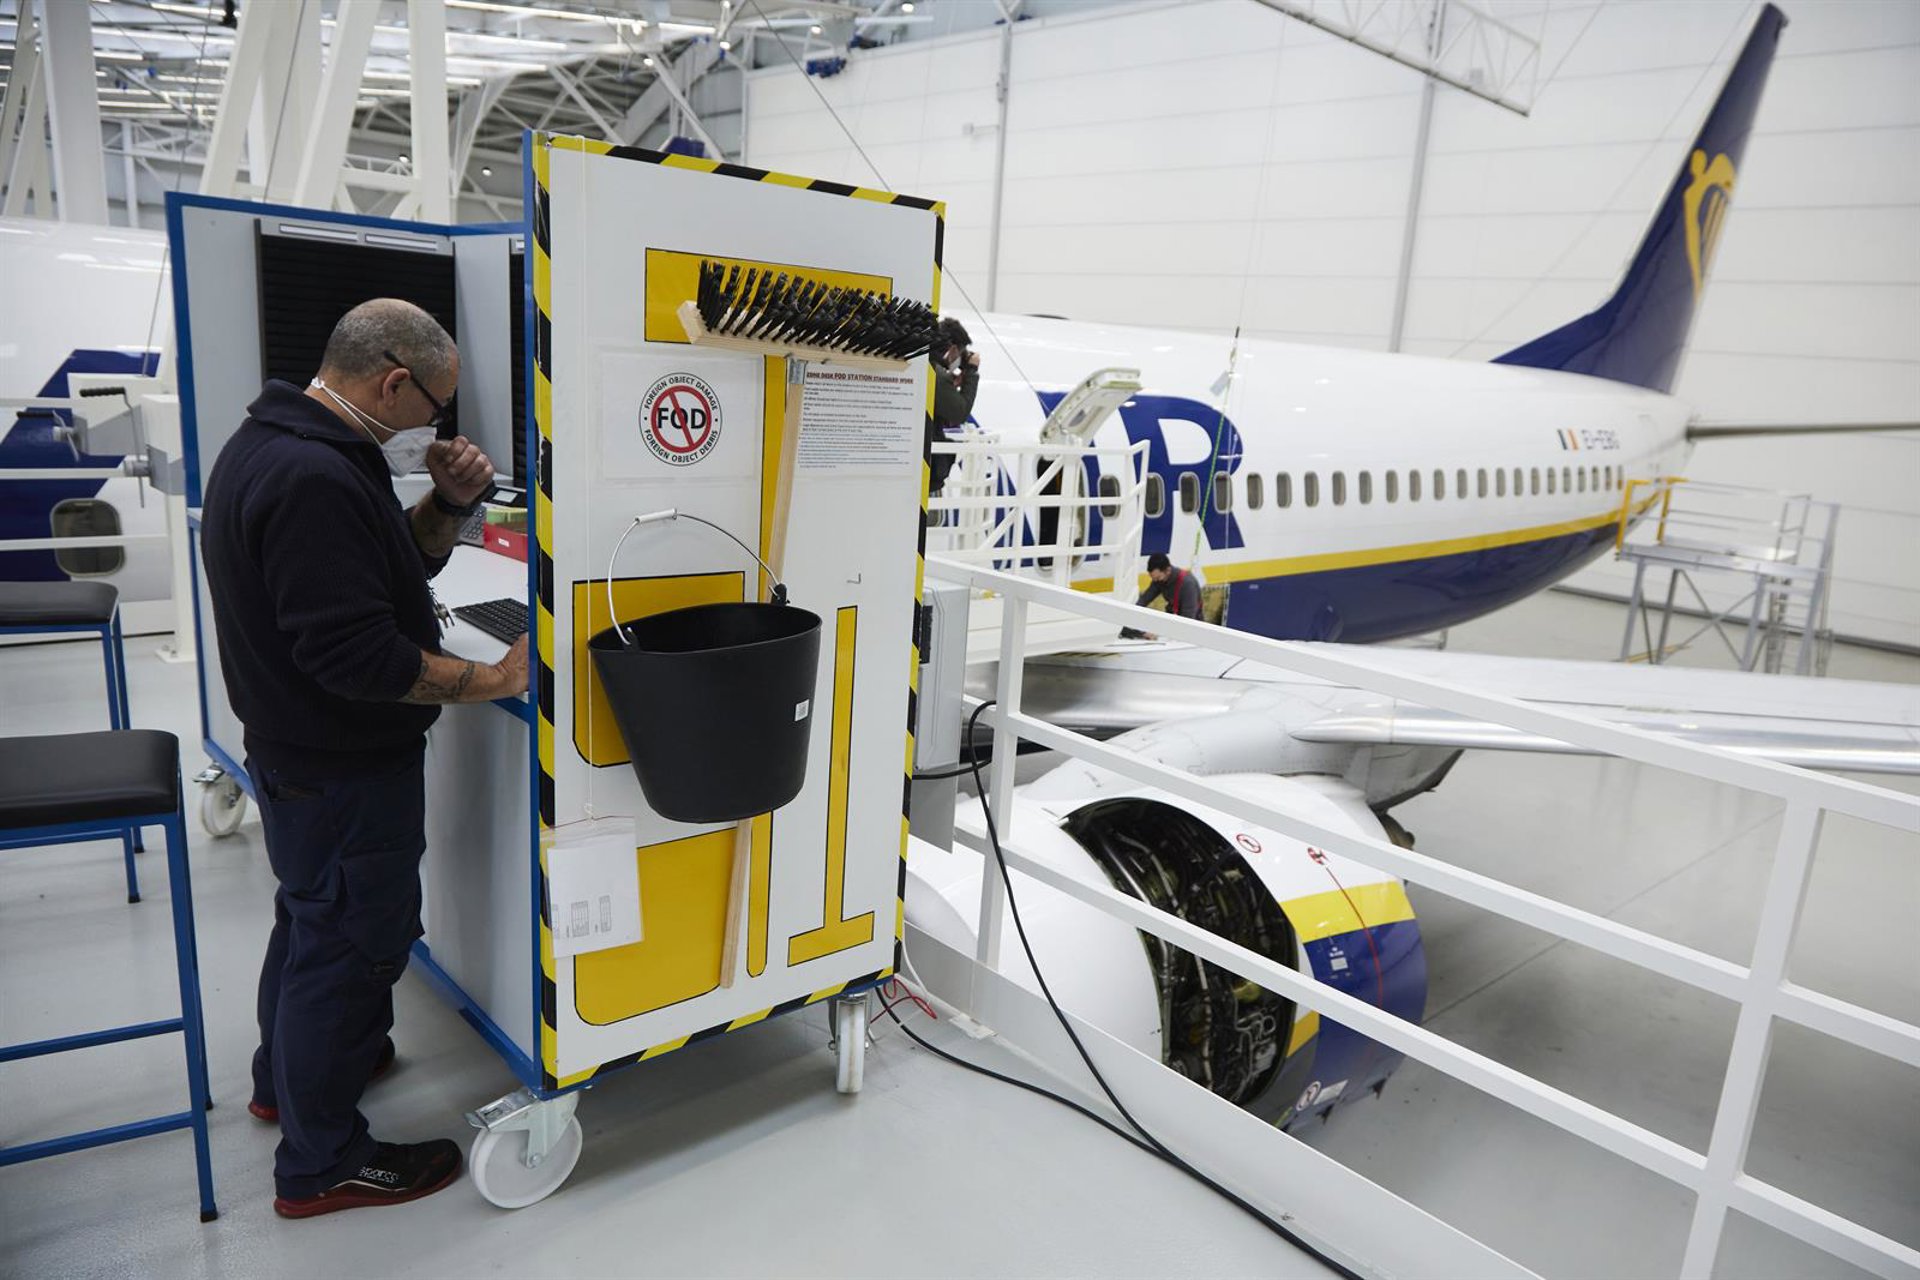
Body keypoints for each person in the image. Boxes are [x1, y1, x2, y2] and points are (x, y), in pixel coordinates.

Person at [200, 298, 529, 1219]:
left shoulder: (284, 445)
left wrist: (449, 504)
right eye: (434, 404)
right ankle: (322, 1162)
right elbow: (356, 657)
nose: (436, 422)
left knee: (312, 921)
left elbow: (385, 573)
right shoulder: (312, 475)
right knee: (352, 945)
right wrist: (492, 680)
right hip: (340, 765)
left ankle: (288, 1080)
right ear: (393, 382)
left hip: (300, 757)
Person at [925, 315, 980, 497]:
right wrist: (971, 372)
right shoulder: (937, 375)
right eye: (961, 353)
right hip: (926, 473)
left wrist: (951, 386)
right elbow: (959, 413)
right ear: (953, 349)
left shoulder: (929, 367)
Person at [1122, 553, 1202, 639]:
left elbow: (1188, 618)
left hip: (1192, 626)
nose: (1156, 581)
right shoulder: (1159, 579)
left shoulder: (1188, 584)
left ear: (1168, 570)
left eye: (1158, 578)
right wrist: (1130, 618)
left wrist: (1166, 632)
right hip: (1172, 620)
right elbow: (1145, 599)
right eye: (1153, 579)